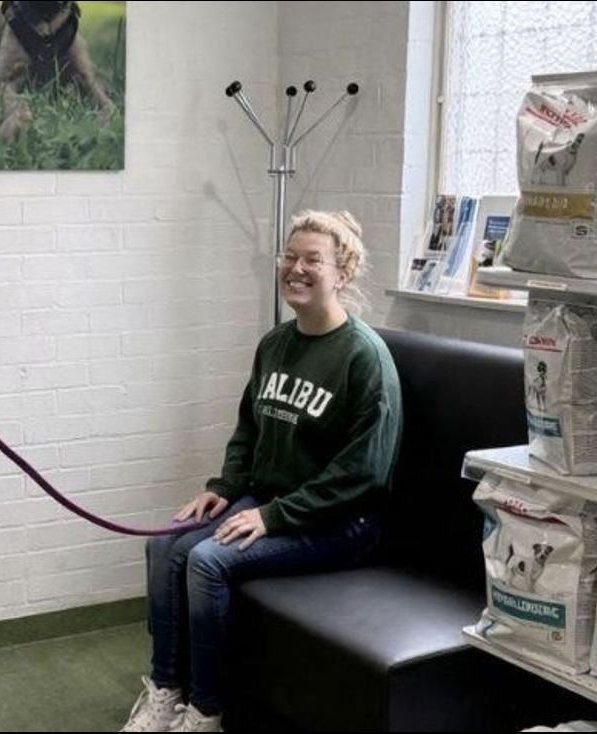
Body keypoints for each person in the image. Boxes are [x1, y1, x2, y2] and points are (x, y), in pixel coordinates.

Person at [120, 210, 403, 732]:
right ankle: (166, 691)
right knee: (164, 546)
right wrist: (225, 489)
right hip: (275, 504)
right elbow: (249, 429)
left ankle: (206, 712)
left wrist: (273, 516)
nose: (296, 268)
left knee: (206, 560)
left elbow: (364, 473)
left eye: (312, 260)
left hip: (342, 524)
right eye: (290, 257)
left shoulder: (364, 358)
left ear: (342, 273)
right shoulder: (276, 344)